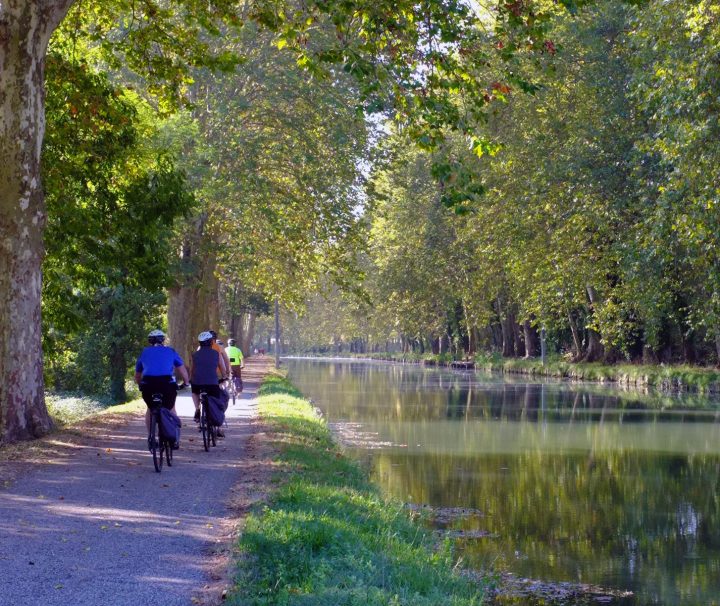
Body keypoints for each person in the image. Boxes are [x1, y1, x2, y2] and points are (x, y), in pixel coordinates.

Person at [134, 329, 189, 448]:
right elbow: (182, 369)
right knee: (170, 408)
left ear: (149, 341)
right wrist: (186, 382)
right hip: (166, 384)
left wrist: (140, 384)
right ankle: (174, 438)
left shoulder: (144, 352)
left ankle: (151, 437)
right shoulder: (170, 351)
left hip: (148, 384)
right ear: (163, 340)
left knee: (150, 408)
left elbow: (137, 374)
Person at [190, 331, 227, 428]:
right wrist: (224, 378)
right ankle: (216, 422)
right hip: (212, 383)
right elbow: (223, 368)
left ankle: (197, 409)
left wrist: (191, 379)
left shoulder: (195, 355)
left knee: (194, 392)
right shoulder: (216, 353)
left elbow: (192, 370)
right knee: (216, 398)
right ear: (211, 342)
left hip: (198, 383)